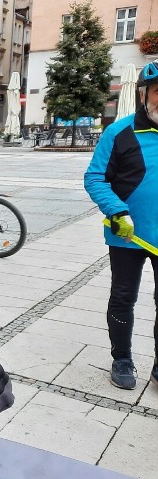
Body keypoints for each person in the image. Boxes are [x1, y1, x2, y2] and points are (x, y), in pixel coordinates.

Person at [84, 59, 158, 390]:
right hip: (126, 234)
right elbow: (95, 177)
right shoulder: (120, 132)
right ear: (144, 95)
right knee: (123, 296)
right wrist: (117, 209)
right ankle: (122, 358)